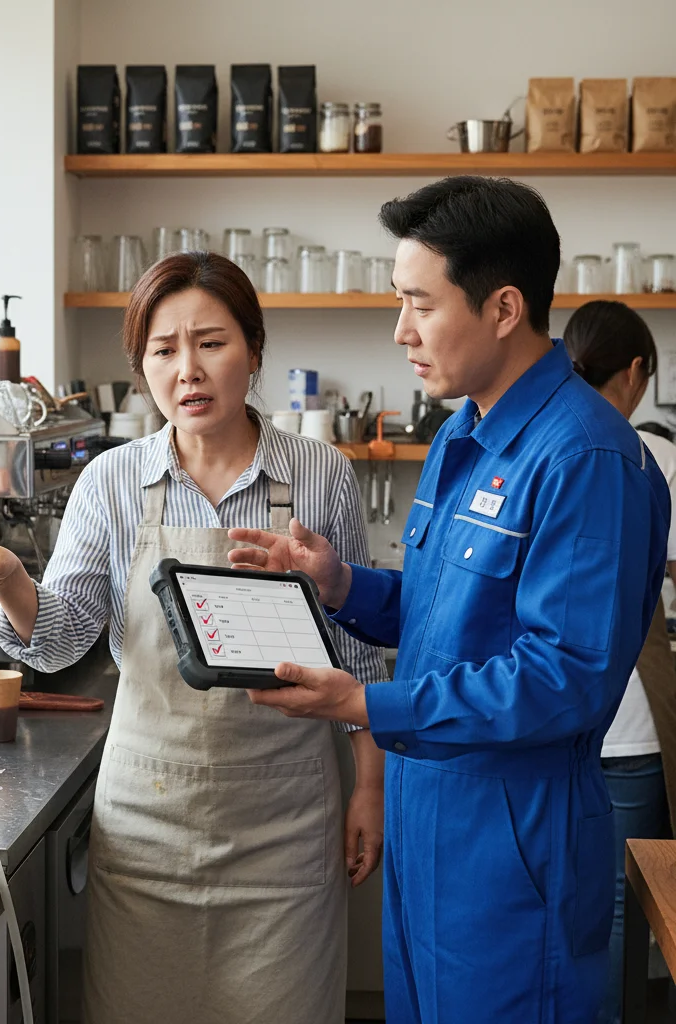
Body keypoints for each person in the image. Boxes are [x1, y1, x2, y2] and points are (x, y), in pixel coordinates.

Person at [227, 177, 670, 1022]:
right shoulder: (463, 434)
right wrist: (342, 584)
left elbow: (563, 676)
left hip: (514, 840)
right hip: (428, 813)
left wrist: (367, 700)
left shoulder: (587, 459)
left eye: (419, 306)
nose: (401, 333)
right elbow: (445, 613)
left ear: (504, 308)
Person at [0, 252, 387, 1024]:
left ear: (254, 351)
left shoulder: (318, 474)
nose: (188, 370)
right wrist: (10, 580)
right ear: (142, 367)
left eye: (210, 342)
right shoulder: (111, 479)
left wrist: (370, 787)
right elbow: (62, 636)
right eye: (163, 350)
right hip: (147, 823)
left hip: (288, 823)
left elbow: (356, 649)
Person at [563, 300, 676, 1024]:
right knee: (624, 904)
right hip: (630, 722)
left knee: (573, 899)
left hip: (561, 718)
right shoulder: (648, 453)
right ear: (635, 371)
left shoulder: (549, 443)